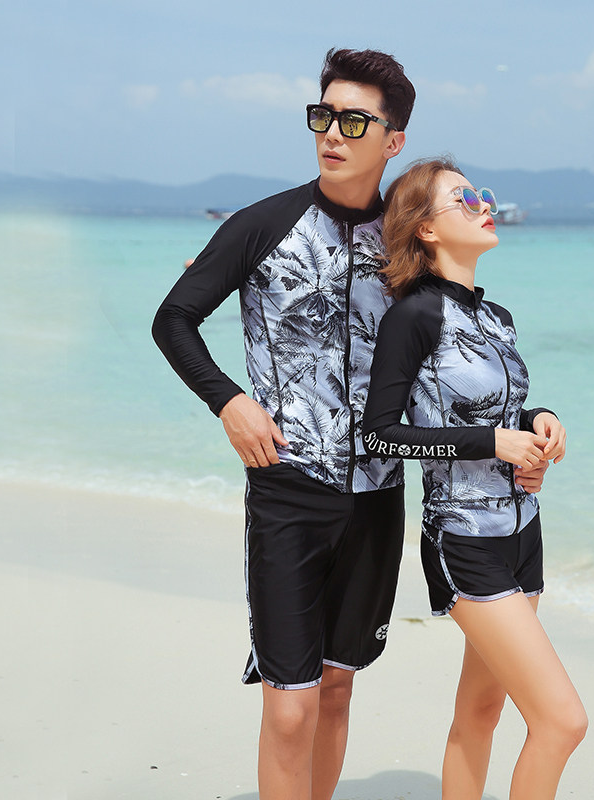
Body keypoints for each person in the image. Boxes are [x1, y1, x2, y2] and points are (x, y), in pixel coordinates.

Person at [152, 48, 416, 800]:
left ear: (392, 140)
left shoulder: (407, 242)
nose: (332, 132)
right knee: (291, 706)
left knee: (337, 688)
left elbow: (449, 356)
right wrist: (229, 402)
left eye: (354, 121)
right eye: (322, 116)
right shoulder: (263, 224)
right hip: (288, 493)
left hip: (378, 498)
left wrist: (523, 422)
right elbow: (174, 319)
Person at [362, 158, 587, 800]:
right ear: (426, 229)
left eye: (482, 194)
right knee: (563, 721)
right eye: (464, 199)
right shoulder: (413, 316)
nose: (485, 204)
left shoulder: (497, 318)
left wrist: (538, 422)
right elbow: (380, 434)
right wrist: (492, 442)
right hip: (464, 541)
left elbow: (499, 407)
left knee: (480, 713)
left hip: (524, 535)